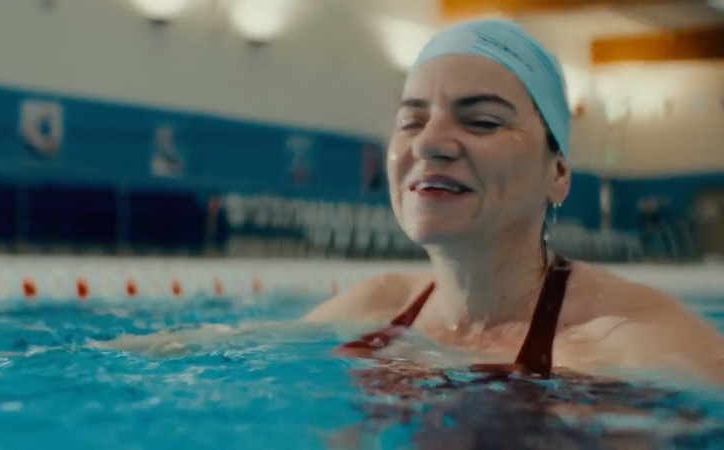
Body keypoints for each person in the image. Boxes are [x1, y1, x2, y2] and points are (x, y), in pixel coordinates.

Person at [304, 19, 724, 383]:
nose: (428, 143)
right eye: (411, 121)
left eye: (483, 122)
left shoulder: (630, 345)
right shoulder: (371, 310)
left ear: (557, 174)